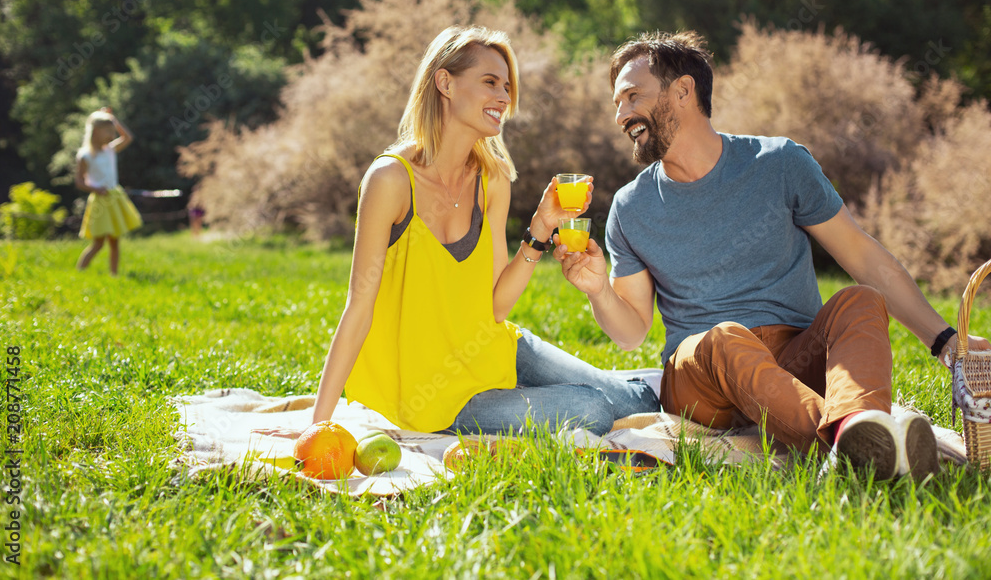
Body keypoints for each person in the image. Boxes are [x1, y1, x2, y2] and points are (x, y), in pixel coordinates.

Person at [555, 30, 990, 479]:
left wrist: (945, 342)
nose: (622, 114)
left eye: (631, 96)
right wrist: (596, 291)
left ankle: (859, 427)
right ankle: (847, 450)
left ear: (683, 91)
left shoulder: (779, 163)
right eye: (617, 104)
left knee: (860, 300)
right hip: (705, 381)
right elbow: (632, 332)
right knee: (724, 337)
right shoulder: (631, 207)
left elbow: (863, 256)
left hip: (799, 362)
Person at [292, 25, 660, 438]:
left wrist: (540, 227)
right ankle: (523, 397)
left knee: (640, 402)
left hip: (492, 346)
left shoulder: (492, 179)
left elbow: (496, 307)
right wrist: (317, 424)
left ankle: (529, 390)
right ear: (445, 83)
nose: (504, 97)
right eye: (490, 83)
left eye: (506, 86)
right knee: (590, 409)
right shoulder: (391, 180)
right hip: (432, 395)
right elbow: (358, 306)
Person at [75, 108, 142, 275]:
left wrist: (113, 120)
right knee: (98, 242)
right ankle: (80, 271)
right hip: (100, 200)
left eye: (113, 131)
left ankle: (114, 274)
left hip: (114, 198)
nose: (112, 135)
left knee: (114, 241)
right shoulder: (85, 155)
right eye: (108, 131)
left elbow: (128, 137)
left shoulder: (110, 150)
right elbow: (79, 181)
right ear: (95, 131)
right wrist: (95, 188)